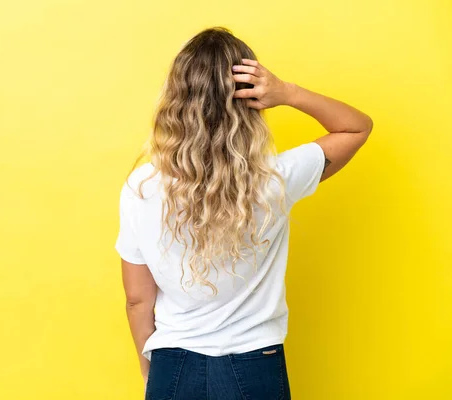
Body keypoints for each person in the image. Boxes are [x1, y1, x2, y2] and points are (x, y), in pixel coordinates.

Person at [114, 27, 373, 400]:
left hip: (173, 364)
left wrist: (149, 369)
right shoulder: (275, 180)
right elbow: (356, 127)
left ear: (176, 98)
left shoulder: (141, 187)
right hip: (255, 365)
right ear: (249, 101)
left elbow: (138, 300)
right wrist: (288, 93)